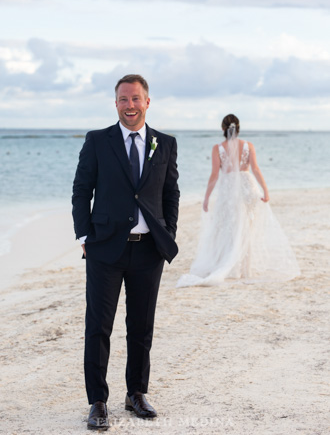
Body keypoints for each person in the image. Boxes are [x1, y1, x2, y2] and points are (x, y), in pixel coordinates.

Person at [72, 74, 180, 430]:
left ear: (147, 102)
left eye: (135, 99)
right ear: (115, 103)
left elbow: (170, 194)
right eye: (123, 99)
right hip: (104, 249)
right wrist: (83, 235)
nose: (129, 106)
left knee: (141, 326)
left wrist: (168, 234)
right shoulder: (98, 141)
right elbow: (81, 190)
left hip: (149, 251)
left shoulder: (164, 143)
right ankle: (98, 402)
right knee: (98, 327)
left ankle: (136, 393)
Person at [177, 114, 300, 287]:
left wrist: (206, 197)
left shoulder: (217, 148)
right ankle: (245, 269)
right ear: (238, 128)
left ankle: (232, 267)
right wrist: (265, 189)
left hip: (228, 190)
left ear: (222, 129)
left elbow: (214, 176)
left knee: (228, 228)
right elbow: (255, 169)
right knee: (246, 228)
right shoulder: (248, 146)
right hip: (248, 187)